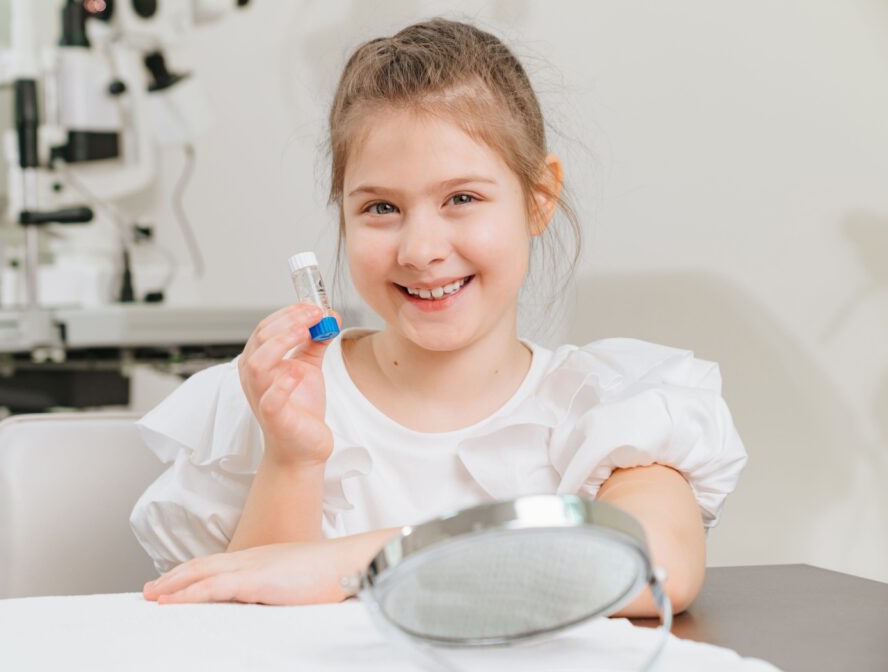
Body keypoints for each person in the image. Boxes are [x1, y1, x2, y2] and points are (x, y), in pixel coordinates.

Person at [132, 18, 747, 615]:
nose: (419, 250)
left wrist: (351, 562)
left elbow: (651, 567)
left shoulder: (610, 410)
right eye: (380, 207)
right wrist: (293, 460)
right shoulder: (276, 407)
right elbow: (241, 616)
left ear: (539, 198)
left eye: (462, 198)